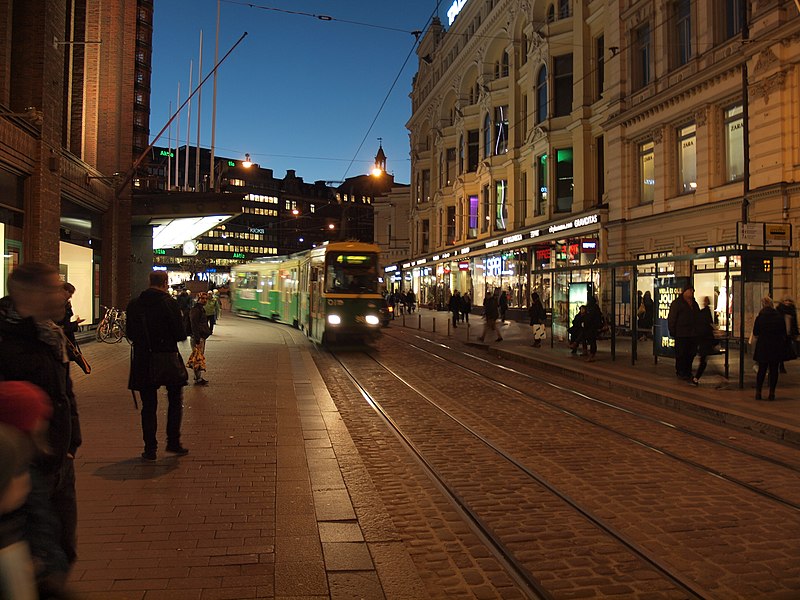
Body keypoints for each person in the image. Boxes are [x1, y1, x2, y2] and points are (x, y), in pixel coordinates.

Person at [0, 262, 82, 597]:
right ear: (27, 293)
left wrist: (72, 440)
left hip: (60, 460)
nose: (61, 294)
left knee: (64, 548)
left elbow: (65, 389)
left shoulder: (51, 331)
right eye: (53, 287)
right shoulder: (5, 337)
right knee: (44, 562)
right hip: (21, 468)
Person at [126, 270, 189, 461]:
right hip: (167, 358)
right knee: (174, 401)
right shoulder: (169, 303)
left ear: (149, 281)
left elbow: (129, 333)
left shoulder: (134, 304)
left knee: (149, 406)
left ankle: (150, 448)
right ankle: (173, 442)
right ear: (165, 282)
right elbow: (179, 334)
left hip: (144, 360)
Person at [752, 296, 789, 401]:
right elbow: (784, 332)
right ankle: (772, 393)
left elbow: (756, 332)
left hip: (763, 347)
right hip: (775, 347)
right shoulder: (779, 316)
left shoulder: (760, 317)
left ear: (763, 305)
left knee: (762, 370)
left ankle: (758, 392)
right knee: (774, 370)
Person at [668, 284, 700, 380]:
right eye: (690, 290)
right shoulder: (677, 303)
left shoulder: (694, 303)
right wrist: (673, 330)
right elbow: (672, 318)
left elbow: (697, 317)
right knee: (681, 354)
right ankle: (681, 371)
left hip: (692, 334)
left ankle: (687, 371)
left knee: (691, 353)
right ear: (685, 292)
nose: (692, 292)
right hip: (681, 333)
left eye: (692, 290)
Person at [692, 296, 717, 386]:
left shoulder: (702, 313)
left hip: (703, 340)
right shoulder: (707, 312)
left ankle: (696, 378)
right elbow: (709, 325)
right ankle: (696, 378)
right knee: (703, 361)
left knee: (703, 360)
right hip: (706, 340)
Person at [188, 292, 212, 385]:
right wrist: (197, 338)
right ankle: (197, 378)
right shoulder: (196, 310)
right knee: (197, 358)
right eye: (202, 298)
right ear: (198, 299)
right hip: (198, 337)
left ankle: (197, 377)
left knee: (198, 357)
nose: (205, 300)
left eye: (206, 299)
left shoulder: (200, 309)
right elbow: (194, 325)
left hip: (200, 337)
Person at [776, 297, 799, 373]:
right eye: (785, 300)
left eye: (789, 300)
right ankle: (781, 365)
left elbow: (795, 322)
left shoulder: (792, 310)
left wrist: (795, 333)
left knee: (786, 350)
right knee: (780, 349)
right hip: (781, 333)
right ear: (782, 301)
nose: (787, 302)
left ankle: (781, 364)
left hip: (789, 333)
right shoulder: (779, 309)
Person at [583, 295, 602, 361]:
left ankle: (591, 354)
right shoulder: (594, 307)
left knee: (592, 340)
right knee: (590, 339)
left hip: (592, 327)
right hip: (591, 327)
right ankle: (591, 353)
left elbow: (592, 317)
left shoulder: (591, 308)